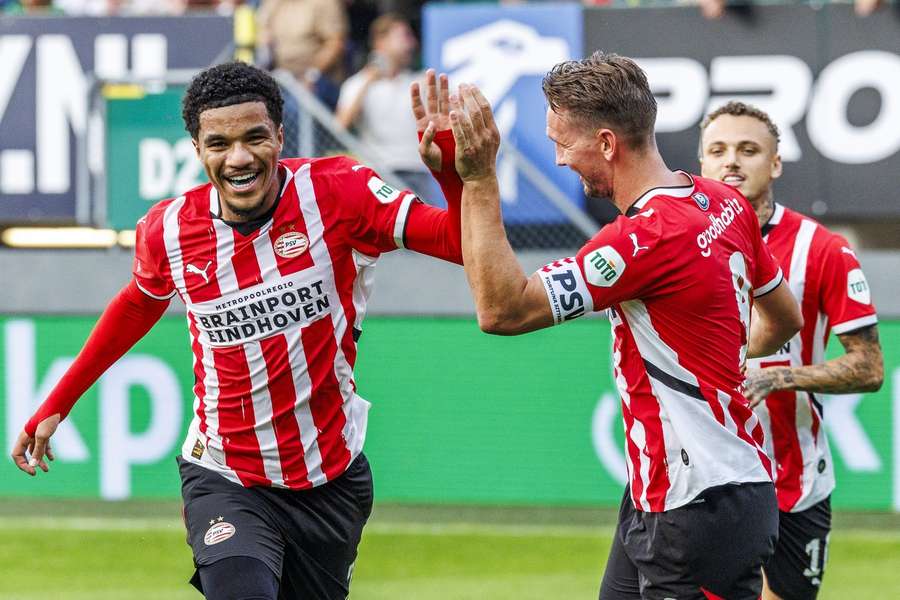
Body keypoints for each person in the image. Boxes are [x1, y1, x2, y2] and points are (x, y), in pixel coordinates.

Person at [10, 62, 463, 600]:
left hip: (330, 478)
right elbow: (136, 306)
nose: (239, 158)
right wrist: (56, 402)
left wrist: (455, 176)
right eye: (219, 144)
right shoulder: (170, 230)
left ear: (279, 135)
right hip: (226, 473)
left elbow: (459, 243)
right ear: (198, 150)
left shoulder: (339, 193)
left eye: (254, 138)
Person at [444, 51, 803, 599]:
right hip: (680, 492)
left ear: (607, 143)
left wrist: (479, 179)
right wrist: (720, 368)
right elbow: (785, 318)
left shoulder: (642, 239)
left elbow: (502, 309)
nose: (560, 160)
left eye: (563, 143)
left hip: (695, 508)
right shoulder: (724, 201)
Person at [699, 101, 884, 600]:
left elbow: (869, 367)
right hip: (704, 480)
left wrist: (779, 377)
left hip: (794, 483)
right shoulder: (677, 244)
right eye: (718, 150)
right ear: (701, 164)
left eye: (748, 150)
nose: (731, 161)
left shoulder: (821, 249)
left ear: (775, 163)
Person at [336, 14, 435, 202]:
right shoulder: (357, 83)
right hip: (378, 172)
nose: (411, 43)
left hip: (417, 170)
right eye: (404, 36)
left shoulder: (418, 81)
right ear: (381, 42)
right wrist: (369, 78)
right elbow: (340, 125)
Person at [256, 0, 348, 109]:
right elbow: (263, 34)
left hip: (318, 78)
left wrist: (311, 75)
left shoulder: (325, 3)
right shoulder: (274, 3)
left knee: (292, 107)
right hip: (283, 77)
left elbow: (335, 44)